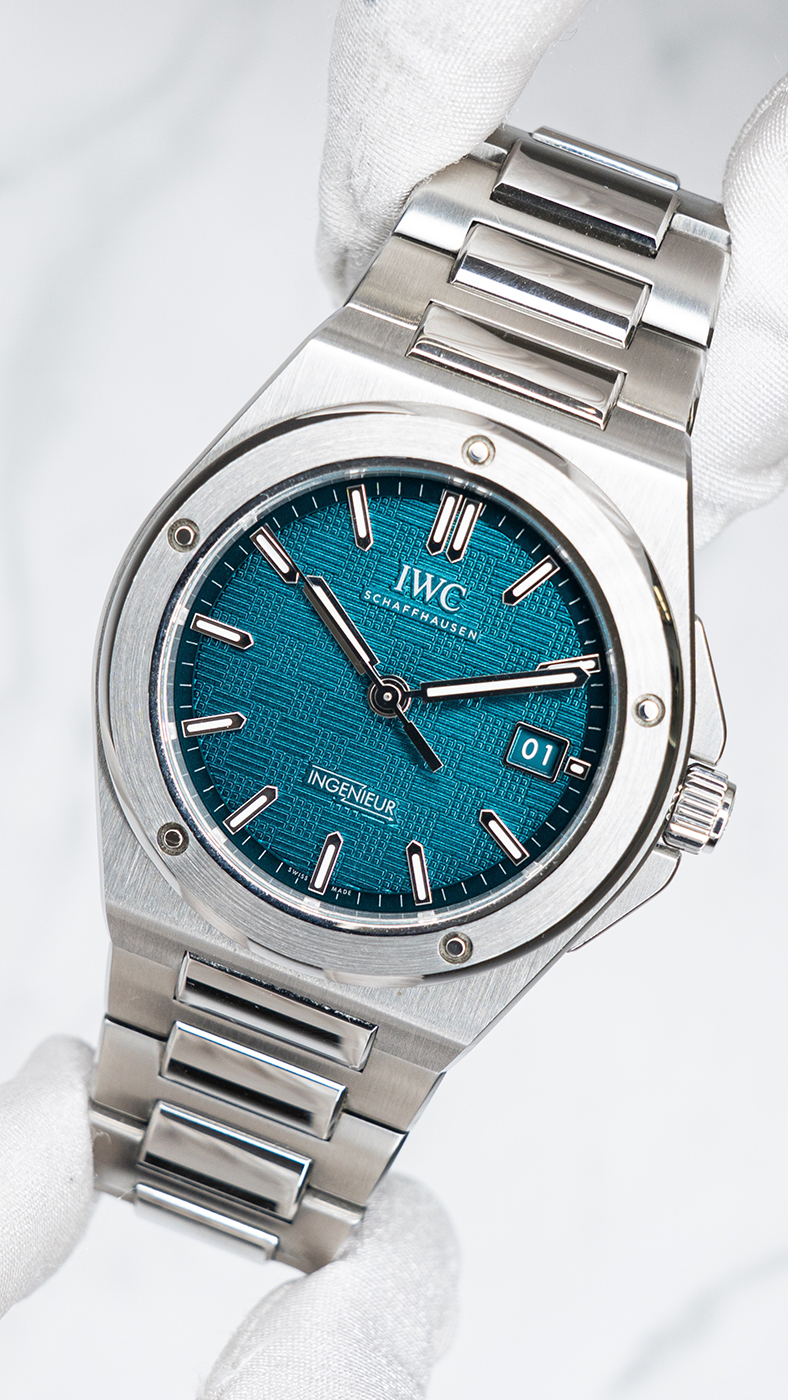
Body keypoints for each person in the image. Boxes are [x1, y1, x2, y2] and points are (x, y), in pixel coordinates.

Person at [2, 2, 787, 1395]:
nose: (389, 690)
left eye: (391, 688)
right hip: (222, 866)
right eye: (383, 682)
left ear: (672, 795)